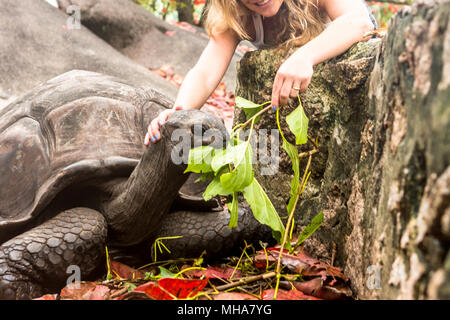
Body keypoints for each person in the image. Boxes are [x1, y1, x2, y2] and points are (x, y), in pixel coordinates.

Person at [144, 0, 375, 145]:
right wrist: (179, 112)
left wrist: (305, 56)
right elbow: (205, 72)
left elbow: (360, 21)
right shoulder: (236, 13)